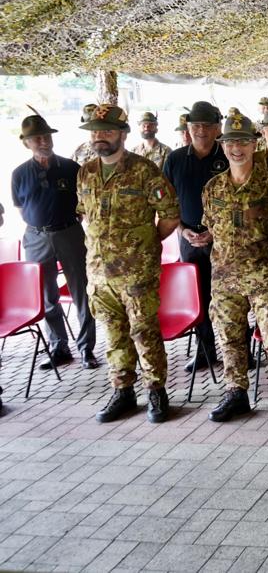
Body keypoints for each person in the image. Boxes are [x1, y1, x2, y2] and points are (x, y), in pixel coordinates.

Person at [77, 104, 180, 423]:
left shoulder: (144, 170)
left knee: (144, 333)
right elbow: (84, 213)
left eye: (107, 130)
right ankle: (123, 392)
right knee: (114, 335)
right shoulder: (86, 172)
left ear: (123, 133)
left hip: (136, 273)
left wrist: (145, 243)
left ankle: (156, 392)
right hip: (99, 274)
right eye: (96, 131)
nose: (100, 136)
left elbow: (170, 215)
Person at [198, 114, 268, 425]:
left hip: (265, 278)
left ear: (254, 144)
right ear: (222, 146)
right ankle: (236, 393)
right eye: (230, 142)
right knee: (229, 338)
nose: (236, 148)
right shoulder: (213, 188)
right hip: (225, 279)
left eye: (242, 142)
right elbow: (212, 228)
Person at [12, 113, 97, 369]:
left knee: (82, 291)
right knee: (47, 295)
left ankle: (86, 348)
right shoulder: (19, 174)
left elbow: (85, 204)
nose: (43, 141)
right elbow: (21, 208)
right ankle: (59, 346)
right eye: (37, 138)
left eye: (46, 136)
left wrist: (67, 224)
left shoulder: (71, 168)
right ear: (26, 143)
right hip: (36, 237)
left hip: (69, 233)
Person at [163, 101, 229, 373]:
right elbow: (167, 204)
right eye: (195, 126)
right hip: (188, 238)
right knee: (198, 298)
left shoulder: (228, 155)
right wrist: (182, 230)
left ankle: (240, 350)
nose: (201, 131)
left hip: (224, 239)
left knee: (230, 295)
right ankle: (206, 351)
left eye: (207, 126)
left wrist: (215, 232)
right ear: (188, 128)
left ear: (217, 128)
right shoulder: (175, 159)